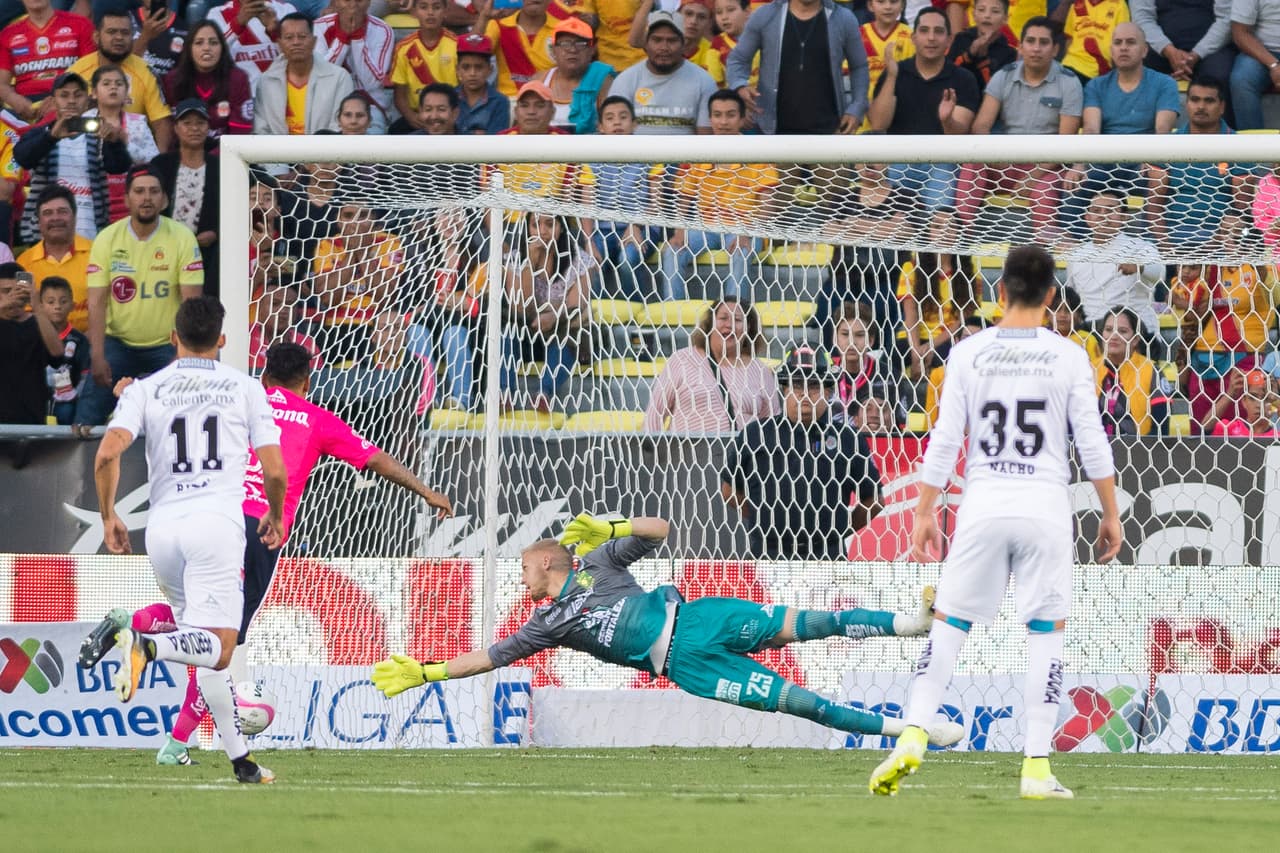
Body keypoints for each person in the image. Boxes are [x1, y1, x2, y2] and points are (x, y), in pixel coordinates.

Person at [82, 340, 453, 766]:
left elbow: (172, 403)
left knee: (193, 623)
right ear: (307, 383)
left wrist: (128, 391)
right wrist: (426, 491)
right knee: (219, 645)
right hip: (258, 530)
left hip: (205, 518)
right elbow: (376, 461)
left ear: (264, 375)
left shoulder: (240, 396)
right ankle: (168, 717)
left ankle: (135, 631)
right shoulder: (317, 419)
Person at [370, 512, 965, 749]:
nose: (519, 575)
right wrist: (427, 671)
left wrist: (612, 525)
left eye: (523, 565)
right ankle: (913, 730)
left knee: (807, 622)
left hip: (699, 615)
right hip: (688, 665)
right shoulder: (543, 624)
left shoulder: (596, 563)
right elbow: (489, 658)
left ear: (548, 562)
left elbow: (661, 531)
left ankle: (910, 623)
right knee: (800, 702)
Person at [869, 245, 1122, 801]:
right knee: (1044, 635)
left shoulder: (969, 352)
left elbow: (944, 441)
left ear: (999, 291)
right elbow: (1094, 444)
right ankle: (1035, 767)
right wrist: (1109, 512)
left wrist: (925, 510)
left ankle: (913, 732)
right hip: (1044, 510)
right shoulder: (1069, 355)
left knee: (951, 624)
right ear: (1052, 296)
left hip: (983, 506)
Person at [90, 296, 287, 785]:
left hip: (162, 531)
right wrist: (276, 515)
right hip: (215, 527)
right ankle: (144, 643)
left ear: (172, 338)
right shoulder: (245, 388)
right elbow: (275, 468)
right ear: (221, 340)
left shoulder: (147, 388)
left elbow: (107, 453)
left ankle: (241, 761)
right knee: (219, 649)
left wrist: (109, 514)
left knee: (202, 648)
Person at [722, 346, 883, 561]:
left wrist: (839, 530)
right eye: (797, 384)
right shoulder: (755, 433)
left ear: (828, 390)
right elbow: (729, 489)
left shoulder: (848, 438)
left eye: (814, 385)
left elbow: (874, 499)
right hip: (768, 553)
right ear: (785, 388)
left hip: (827, 555)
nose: (805, 393)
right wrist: (761, 518)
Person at [78, 166, 203, 425]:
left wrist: (184, 355)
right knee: (87, 414)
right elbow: (97, 301)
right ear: (126, 199)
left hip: (167, 344)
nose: (146, 198)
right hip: (119, 343)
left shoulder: (182, 237)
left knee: (185, 412)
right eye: (139, 191)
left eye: (154, 191)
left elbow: (192, 304)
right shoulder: (107, 238)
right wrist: (97, 355)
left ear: (165, 199)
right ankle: (81, 464)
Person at [955, 16, 1081, 242]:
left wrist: (1034, 175)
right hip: (1005, 159)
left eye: (1044, 42)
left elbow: (1067, 143)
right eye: (1030, 41)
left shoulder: (1069, 82)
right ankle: (963, 239)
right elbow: (981, 127)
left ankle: (1043, 257)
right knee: (972, 165)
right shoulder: (1004, 75)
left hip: (1047, 166)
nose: (1036, 48)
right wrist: (998, 159)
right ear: (1020, 47)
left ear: (1055, 49)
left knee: (1044, 190)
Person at [661, 89, 776, 300]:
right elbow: (683, 198)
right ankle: (672, 314)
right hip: (706, 228)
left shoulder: (758, 152)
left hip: (744, 228)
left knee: (740, 252)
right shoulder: (698, 151)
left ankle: (735, 314)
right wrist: (679, 231)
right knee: (672, 250)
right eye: (717, 115)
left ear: (742, 119)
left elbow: (767, 205)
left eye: (730, 115)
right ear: (710, 118)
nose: (723, 122)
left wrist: (745, 232)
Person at [869, 8, 980, 217]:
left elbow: (959, 135)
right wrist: (892, 77)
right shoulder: (895, 71)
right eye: (924, 30)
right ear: (913, 37)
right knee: (889, 222)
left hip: (942, 163)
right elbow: (878, 125)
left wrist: (947, 119)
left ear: (949, 40)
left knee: (939, 222)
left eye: (938, 31)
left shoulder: (964, 78)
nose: (931, 38)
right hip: (897, 159)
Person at [13, 71, 132, 244]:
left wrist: (114, 143)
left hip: (92, 234)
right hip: (44, 237)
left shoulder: (100, 133)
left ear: (87, 101)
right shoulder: (42, 132)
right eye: (64, 95)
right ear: (53, 101)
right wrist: (51, 136)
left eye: (78, 95)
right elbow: (22, 158)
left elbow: (118, 167)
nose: (71, 101)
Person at [727, 0, 871, 135]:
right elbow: (738, 59)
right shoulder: (765, 15)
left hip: (830, 132)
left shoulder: (843, 18)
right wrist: (739, 85)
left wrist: (856, 107)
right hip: (774, 134)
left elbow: (859, 66)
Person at [1145, 77, 1252, 253]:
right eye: (1195, 100)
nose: (1201, 106)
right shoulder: (1167, 144)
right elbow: (1154, 204)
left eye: (1209, 101)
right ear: (1186, 104)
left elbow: (1241, 209)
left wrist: (1209, 248)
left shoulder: (1239, 146)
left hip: (1222, 239)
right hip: (1172, 235)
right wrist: (1166, 247)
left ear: (1222, 106)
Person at [644, 297, 779, 432]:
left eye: (737, 320)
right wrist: (652, 451)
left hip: (743, 451)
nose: (729, 325)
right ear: (710, 324)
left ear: (748, 328)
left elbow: (772, 424)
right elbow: (655, 415)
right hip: (688, 451)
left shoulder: (760, 370)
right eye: (723, 318)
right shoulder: (682, 360)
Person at [501, 212, 591, 412]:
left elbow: (577, 307)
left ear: (560, 228)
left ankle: (544, 393)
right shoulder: (515, 259)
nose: (542, 231)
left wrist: (554, 316)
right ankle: (504, 394)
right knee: (506, 336)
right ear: (527, 229)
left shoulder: (578, 259)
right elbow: (520, 306)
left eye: (550, 224)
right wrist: (530, 263)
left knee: (568, 339)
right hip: (526, 332)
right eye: (535, 225)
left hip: (560, 331)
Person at [65, 9, 173, 151]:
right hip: (84, 151)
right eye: (111, 32)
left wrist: (159, 165)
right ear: (96, 37)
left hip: (132, 152)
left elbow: (161, 123)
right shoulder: (77, 72)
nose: (119, 38)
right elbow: (63, 118)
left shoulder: (146, 71)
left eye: (125, 33)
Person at [1064, 190, 1162, 342]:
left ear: (1124, 217)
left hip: (1136, 333)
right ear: (1088, 218)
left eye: (1110, 210)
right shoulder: (1077, 255)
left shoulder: (1141, 248)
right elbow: (1072, 296)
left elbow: (1160, 274)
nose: (1103, 215)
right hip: (1091, 333)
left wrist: (1139, 267)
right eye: (1096, 211)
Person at [149, 99, 221, 297]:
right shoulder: (161, 164)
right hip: (164, 253)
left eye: (200, 123)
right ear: (176, 128)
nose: (194, 129)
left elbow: (233, 210)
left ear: (208, 128)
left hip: (208, 255)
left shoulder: (220, 167)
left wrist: (216, 233)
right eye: (187, 123)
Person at [609, 11, 717, 134]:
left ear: (683, 45)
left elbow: (706, 139)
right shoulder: (625, 80)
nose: (664, 47)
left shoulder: (703, 81)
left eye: (672, 41)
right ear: (646, 44)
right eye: (657, 40)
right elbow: (615, 137)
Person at [254, 13, 356, 135]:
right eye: (289, 37)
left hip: (324, 152)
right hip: (277, 153)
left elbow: (339, 127)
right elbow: (261, 129)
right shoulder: (266, 81)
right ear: (280, 44)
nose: (296, 42)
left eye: (302, 36)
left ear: (313, 42)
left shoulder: (340, 78)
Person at [87, 65, 160, 224]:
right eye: (106, 83)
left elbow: (154, 161)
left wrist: (127, 144)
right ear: (93, 92)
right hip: (92, 195)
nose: (113, 87)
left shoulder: (138, 122)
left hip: (132, 195)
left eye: (119, 84)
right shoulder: (84, 121)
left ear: (126, 92)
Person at [0, 0, 95, 123]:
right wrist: (15, 100)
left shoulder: (80, 24)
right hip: (26, 107)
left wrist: (62, 100)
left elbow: (92, 71)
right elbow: (2, 84)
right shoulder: (8, 34)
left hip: (70, 102)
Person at [17, 185, 93, 333]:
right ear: (39, 222)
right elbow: (23, 312)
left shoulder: (98, 254)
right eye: (47, 213)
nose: (55, 218)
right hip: (41, 344)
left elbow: (111, 308)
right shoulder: (24, 263)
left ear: (75, 217)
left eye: (62, 212)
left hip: (90, 340)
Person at [162, 20, 254, 139]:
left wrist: (210, 157)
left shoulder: (238, 78)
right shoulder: (172, 80)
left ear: (222, 48)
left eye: (213, 43)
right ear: (189, 48)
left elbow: (240, 133)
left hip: (224, 152)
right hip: (183, 152)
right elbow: (169, 129)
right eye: (199, 43)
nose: (206, 48)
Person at [315, 0, 396, 133]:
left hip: (371, 106)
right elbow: (323, 78)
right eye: (346, 0)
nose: (352, 5)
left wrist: (358, 37)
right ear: (335, 2)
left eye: (359, 0)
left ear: (369, 2)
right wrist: (342, 38)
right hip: (330, 104)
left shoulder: (383, 29)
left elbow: (371, 83)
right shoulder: (320, 26)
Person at [0, 263, 63, 425]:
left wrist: (37, 305)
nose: (13, 296)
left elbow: (57, 354)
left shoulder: (39, 323)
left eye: (18, 290)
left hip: (31, 418)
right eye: (6, 291)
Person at [1097, 305, 1172, 436]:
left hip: (1139, 451)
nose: (1113, 336)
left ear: (1135, 340)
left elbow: (1161, 427)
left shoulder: (1151, 371)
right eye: (1108, 330)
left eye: (1122, 331)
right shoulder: (1089, 370)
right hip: (1093, 451)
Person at [477, 0, 575, 97]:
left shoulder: (562, 29)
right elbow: (473, 54)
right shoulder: (498, 26)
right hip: (509, 100)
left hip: (550, 100)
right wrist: (484, 17)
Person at [1131, 0, 1235, 87]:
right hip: (1159, 47)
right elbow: (1142, 18)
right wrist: (1169, 51)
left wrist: (1196, 54)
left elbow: (1226, 18)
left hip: (1210, 48)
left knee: (1219, 75)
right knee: (1135, 68)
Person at [389, 0, 457, 133]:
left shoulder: (455, 45)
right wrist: (411, 116)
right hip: (418, 115)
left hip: (449, 115)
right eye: (423, 7)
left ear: (445, 11)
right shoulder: (403, 48)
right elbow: (400, 95)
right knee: (394, 132)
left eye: (436, 7)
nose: (430, 13)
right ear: (413, 12)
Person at [541, 16, 614, 134]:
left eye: (581, 43)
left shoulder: (604, 80)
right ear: (554, 50)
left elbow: (612, 129)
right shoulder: (540, 80)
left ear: (592, 49)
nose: (573, 50)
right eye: (565, 43)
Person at [209, 0, 301, 86]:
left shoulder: (286, 9)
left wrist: (276, 31)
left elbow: (302, 58)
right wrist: (237, 24)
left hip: (281, 94)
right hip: (238, 97)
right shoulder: (217, 14)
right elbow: (209, 55)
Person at [38, 276, 90, 425]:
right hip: (36, 398)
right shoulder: (33, 336)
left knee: (67, 412)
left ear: (72, 305)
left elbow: (85, 376)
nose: (57, 306)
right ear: (40, 306)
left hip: (67, 399)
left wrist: (75, 395)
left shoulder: (79, 340)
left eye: (63, 301)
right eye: (50, 302)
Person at [1229, 0, 1280, 129]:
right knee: (1241, 80)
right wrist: (1274, 65)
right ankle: (1252, 145)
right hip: (1263, 53)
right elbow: (1240, 33)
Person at [947, 0, 1017, 89]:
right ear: (974, 15)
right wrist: (970, 54)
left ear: (1005, 18)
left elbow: (997, 90)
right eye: (981, 10)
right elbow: (948, 74)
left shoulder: (1009, 53)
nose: (987, 16)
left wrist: (982, 58)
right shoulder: (961, 39)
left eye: (995, 11)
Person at [1061, 0, 1130, 82]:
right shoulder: (1077, 4)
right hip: (1070, 63)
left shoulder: (1119, 4)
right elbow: (1069, 38)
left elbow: (1123, 39)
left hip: (1098, 71)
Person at [131, 0, 189, 83]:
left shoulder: (185, 30)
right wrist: (145, 36)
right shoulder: (126, 21)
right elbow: (121, 66)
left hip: (165, 91)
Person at [1209, 368, 1277, 436]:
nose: (1259, 404)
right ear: (1244, 401)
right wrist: (1229, 394)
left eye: (1266, 398)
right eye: (1252, 398)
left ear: (1275, 404)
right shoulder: (1228, 428)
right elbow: (1204, 432)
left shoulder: (1277, 438)